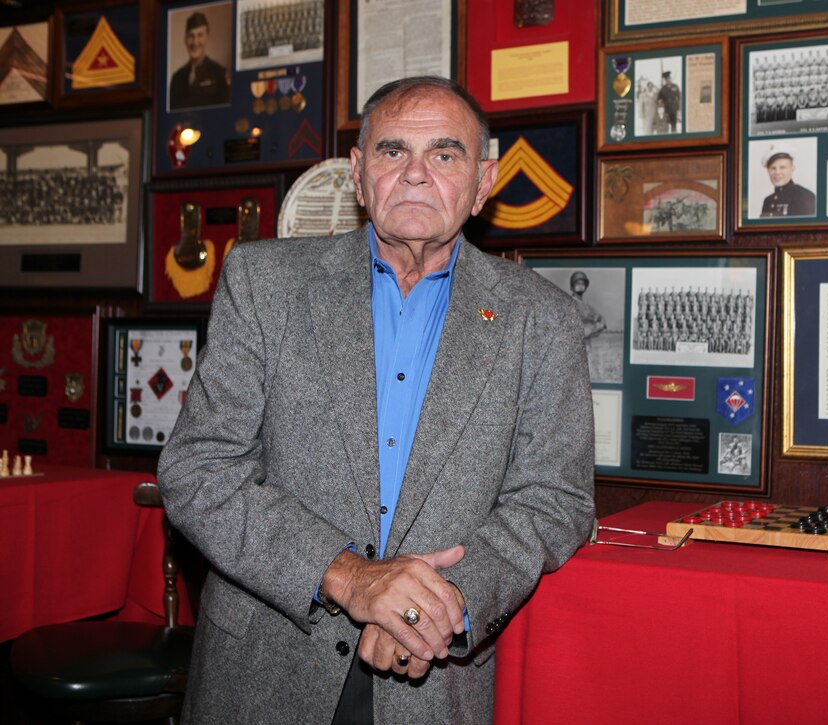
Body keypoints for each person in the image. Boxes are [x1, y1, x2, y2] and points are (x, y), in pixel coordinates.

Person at [157, 76, 596, 724]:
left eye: (444, 154)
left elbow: (553, 499)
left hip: (433, 675)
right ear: (359, 176)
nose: (416, 174)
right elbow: (198, 469)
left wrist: (435, 608)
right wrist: (351, 577)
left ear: (484, 179)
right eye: (393, 152)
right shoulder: (263, 282)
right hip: (266, 669)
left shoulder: (544, 320)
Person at [169, 11, 230, 110]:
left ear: (207, 37)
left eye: (200, 35)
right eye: (191, 36)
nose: (195, 42)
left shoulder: (219, 73)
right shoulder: (177, 78)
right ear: (185, 39)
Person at [759, 145, 816, 217]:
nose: (777, 172)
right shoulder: (768, 201)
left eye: (782, 167)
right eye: (773, 168)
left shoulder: (804, 197)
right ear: (768, 171)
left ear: (792, 169)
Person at [569, 270, 606, 340]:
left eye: (583, 284)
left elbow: (602, 322)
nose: (580, 286)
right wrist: (595, 326)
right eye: (577, 283)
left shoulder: (588, 306)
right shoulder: (569, 304)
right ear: (572, 286)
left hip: (587, 345)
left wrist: (596, 326)